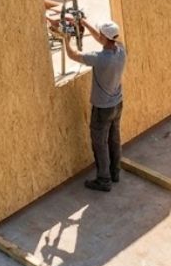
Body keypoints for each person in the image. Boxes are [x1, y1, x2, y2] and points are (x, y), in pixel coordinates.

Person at [53, 16, 127, 192]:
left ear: (103, 36)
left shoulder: (100, 59)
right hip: (117, 104)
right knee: (114, 139)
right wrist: (85, 22)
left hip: (102, 108)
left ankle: (103, 180)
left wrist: (66, 39)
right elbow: (102, 38)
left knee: (99, 143)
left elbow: (72, 55)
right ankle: (115, 172)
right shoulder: (121, 51)